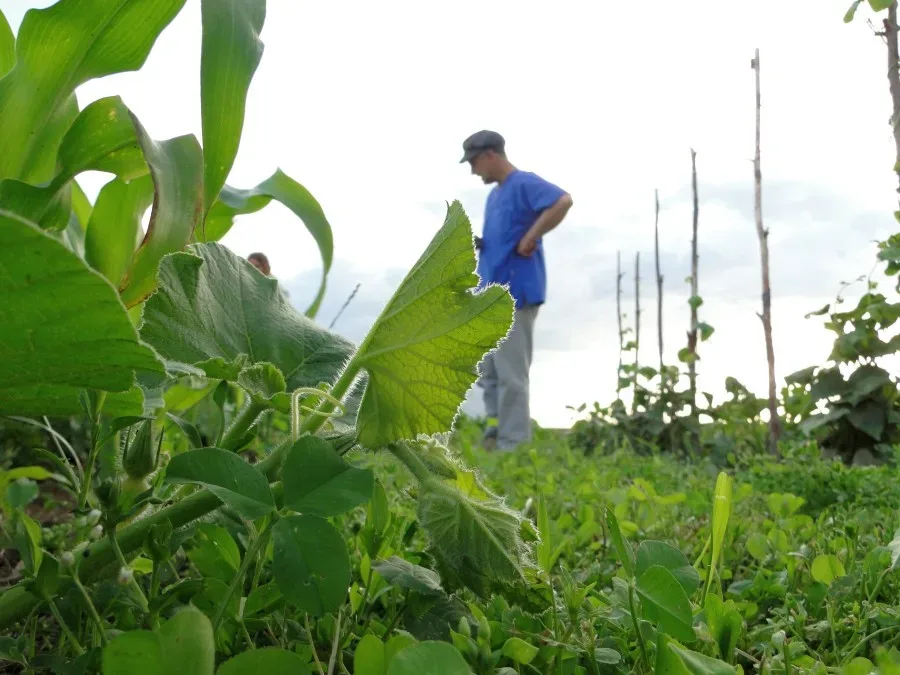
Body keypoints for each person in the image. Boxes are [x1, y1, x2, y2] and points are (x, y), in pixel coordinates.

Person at [460, 130, 573, 451]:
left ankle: (514, 445)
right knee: (489, 372)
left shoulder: (523, 183)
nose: (473, 170)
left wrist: (532, 236)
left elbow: (562, 200)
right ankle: (494, 434)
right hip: (489, 294)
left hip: (516, 293)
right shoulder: (494, 195)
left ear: (491, 155)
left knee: (512, 375)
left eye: (474, 162)